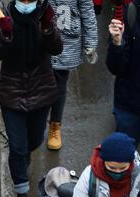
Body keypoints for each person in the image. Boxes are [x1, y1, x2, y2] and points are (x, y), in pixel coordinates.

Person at [0, 0, 63, 197]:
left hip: (40, 90)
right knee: (18, 147)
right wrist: (5, 34)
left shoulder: (45, 13)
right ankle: (22, 194)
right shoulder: (4, 12)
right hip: (12, 92)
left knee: (34, 140)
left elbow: (57, 48)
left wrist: (48, 28)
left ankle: (24, 156)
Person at [47, 0, 98, 150]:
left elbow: (87, 11)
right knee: (35, 80)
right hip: (40, 36)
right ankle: (34, 120)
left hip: (66, 40)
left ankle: (55, 125)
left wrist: (90, 42)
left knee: (59, 85)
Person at [106, 0, 140, 146]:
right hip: (129, 106)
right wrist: (117, 43)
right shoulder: (130, 13)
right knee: (123, 163)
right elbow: (115, 68)